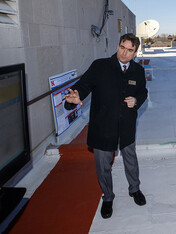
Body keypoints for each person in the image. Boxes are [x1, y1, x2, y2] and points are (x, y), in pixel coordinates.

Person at [64, 33, 148, 219]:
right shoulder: (100, 66)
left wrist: (137, 99)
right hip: (103, 127)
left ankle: (134, 189)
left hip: (126, 126)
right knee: (103, 166)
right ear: (118, 46)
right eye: (122, 48)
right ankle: (108, 197)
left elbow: (143, 92)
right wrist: (73, 98)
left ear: (135, 53)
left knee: (131, 160)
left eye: (129, 50)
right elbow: (83, 85)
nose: (124, 53)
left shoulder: (138, 71)